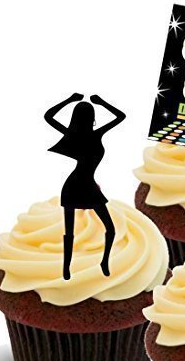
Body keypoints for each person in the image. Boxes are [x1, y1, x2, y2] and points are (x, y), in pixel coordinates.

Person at [45, 93, 126, 280]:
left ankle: (103, 262)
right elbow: (120, 116)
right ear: (93, 118)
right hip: (77, 186)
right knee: (73, 231)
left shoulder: (72, 134)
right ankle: (67, 268)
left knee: (107, 228)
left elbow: (49, 116)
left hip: (83, 185)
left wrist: (70, 100)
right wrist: (101, 102)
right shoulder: (95, 134)